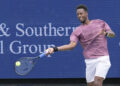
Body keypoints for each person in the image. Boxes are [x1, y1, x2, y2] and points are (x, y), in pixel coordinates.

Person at [46, 4, 115, 86]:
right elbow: (71, 46)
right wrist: (54, 49)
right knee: (91, 84)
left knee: (98, 81)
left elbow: (112, 34)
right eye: (77, 14)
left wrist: (106, 33)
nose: (79, 16)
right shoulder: (77, 31)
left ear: (86, 13)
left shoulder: (100, 22)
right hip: (89, 61)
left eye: (81, 13)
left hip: (103, 58)